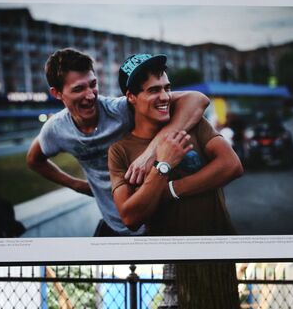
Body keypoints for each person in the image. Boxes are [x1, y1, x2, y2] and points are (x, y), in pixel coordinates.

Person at [26, 48, 209, 237]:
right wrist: (77, 185)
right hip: (115, 225)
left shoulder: (120, 109)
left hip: (156, 221)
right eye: (79, 89)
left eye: (93, 84)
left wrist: (151, 152)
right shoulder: (55, 129)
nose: (90, 95)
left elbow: (197, 99)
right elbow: (34, 160)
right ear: (57, 93)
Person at [108, 54, 243, 236]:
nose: (165, 97)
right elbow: (130, 218)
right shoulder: (119, 150)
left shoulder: (192, 123)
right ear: (131, 96)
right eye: (154, 90)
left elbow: (232, 166)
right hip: (169, 254)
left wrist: (171, 189)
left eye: (167, 88)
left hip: (218, 244)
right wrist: (162, 167)